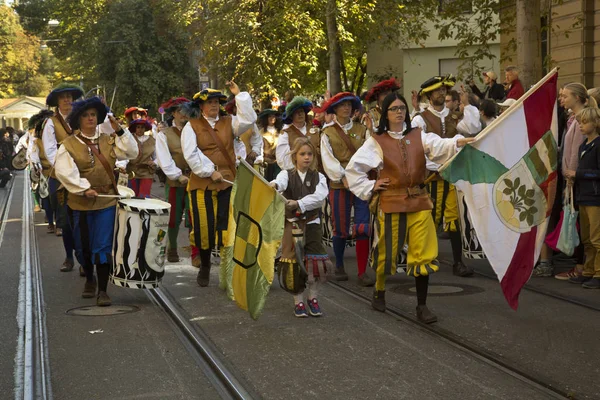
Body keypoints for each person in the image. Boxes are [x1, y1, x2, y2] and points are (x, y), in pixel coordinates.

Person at [345, 92, 474, 322]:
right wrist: (372, 185)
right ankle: (380, 289)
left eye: (402, 108)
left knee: (423, 254)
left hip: (419, 202)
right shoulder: (377, 140)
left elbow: (440, 145)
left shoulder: (418, 135)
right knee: (387, 252)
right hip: (391, 202)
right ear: (386, 113)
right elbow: (353, 170)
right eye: (394, 108)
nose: (399, 112)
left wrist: (461, 141)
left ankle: (422, 305)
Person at [55, 97, 138, 306]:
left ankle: (102, 290)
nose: (90, 118)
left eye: (93, 114)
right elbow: (64, 172)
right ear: (78, 120)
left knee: (102, 246)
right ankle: (89, 279)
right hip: (80, 203)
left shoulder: (108, 140)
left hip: (106, 202)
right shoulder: (68, 145)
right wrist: (84, 189)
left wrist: (120, 130)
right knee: (82, 247)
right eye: (85, 115)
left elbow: (132, 152)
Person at [181, 82, 257, 287]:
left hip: (227, 182)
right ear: (201, 106)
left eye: (216, 102)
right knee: (205, 227)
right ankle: (205, 265)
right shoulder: (192, 125)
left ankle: (226, 269)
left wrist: (238, 94)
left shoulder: (229, 122)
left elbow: (249, 120)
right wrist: (209, 171)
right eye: (210, 102)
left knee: (227, 227)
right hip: (202, 183)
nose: (214, 106)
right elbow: (190, 154)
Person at [412, 75, 477, 277]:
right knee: (429, 217)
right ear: (429, 95)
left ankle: (458, 262)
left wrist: (467, 106)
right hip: (430, 176)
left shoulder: (454, 116)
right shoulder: (419, 119)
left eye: (444, 91)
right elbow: (417, 148)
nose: (442, 94)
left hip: (452, 175)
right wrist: (436, 165)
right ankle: (426, 258)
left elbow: (473, 130)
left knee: (454, 218)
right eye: (438, 91)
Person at [270, 137, 329, 317]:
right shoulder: (286, 175)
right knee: (292, 264)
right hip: (292, 225)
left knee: (316, 263)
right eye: (302, 154)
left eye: (310, 154)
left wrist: (299, 203)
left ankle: (313, 298)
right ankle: (298, 301)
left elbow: (319, 197)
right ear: (295, 156)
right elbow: (280, 183)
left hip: (312, 224)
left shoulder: (319, 177)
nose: (306, 157)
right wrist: (274, 185)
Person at [320, 92, 374, 286]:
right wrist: (342, 176)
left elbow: (371, 153)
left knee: (363, 226)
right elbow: (328, 160)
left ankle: (361, 271)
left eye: (350, 105)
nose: (347, 108)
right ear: (334, 109)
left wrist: (357, 177)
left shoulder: (363, 130)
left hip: (360, 182)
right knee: (340, 227)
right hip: (339, 184)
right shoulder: (327, 133)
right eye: (342, 105)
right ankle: (340, 265)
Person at [545, 83, 597, 278]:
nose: (561, 99)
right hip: (571, 176)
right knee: (581, 225)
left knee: (585, 227)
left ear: (577, 97)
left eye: (565, 96)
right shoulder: (571, 119)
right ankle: (583, 265)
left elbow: (577, 151)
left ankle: (583, 266)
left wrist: (570, 174)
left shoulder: (581, 120)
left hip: (575, 178)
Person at [42, 83, 84, 272]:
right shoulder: (50, 122)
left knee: (83, 219)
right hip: (60, 177)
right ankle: (69, 257)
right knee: (66, 222)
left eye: (69, 96)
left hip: (84, 174)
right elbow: (50, 151)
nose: (67, 100)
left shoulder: (82, 117)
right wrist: (66, 170)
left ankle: (85, 258)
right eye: (63, 97)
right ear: (57, 102)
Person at [564, 107, 600, 289]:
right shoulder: (583, 146)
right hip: (583, 196)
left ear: (596, 124)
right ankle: (588, 270)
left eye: (584, 123)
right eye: (579, 123)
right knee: (586, 237)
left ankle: (598, 272)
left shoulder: (598, 144)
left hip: (595, 197)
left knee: (596, 237)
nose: (581, 126)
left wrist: (578, 173)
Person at [155, 97, 193, 263]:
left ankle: (196, 251)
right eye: (180, 111)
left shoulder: (195, 131)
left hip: (196, 179)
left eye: (186, 111)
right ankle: (172, 248)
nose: (184, 114)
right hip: (175, 181)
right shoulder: (164, 135)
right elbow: (164, 159)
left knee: (195, 216)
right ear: (173, 114)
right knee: (174, 218)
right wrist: (178, 175)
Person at [276, 96, 320, 171]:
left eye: (302, 111)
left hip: (317, 173)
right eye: (296, 112)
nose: (300, 114)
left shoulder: (315, 130)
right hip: (296, 174)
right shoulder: (286, 134)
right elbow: (282, 158)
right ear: (291, 116)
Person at [117, 119, 156, 198]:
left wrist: (155, 162)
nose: (140, 129)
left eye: (142, 127)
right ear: (135, 128)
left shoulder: (152, 140)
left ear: (145, 129)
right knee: (132, 196)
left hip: (147, 172)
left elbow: (157, 156)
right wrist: (122, 166)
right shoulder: (130, 139)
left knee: (144, 197)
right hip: (132, 172)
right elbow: (126, 154)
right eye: (138, 127)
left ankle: (144, 210)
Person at [257, 109, 282, 181]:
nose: (272, 118)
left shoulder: (280, 131)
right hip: (266, 163)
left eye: (274, 116)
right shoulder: (261, 132)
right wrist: (261, 158)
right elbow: (260, 147)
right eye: (270, 117)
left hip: (278, 162)